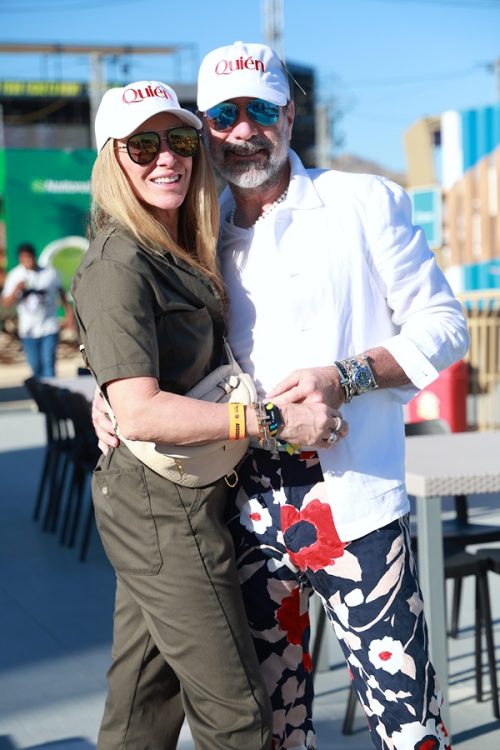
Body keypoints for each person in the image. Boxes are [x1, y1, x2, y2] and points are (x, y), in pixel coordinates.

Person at [93, 44, 469, 750]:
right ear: (207, 128)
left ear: (290, 116)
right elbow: (157, 344)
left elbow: (446, 327)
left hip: (354, 503)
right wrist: (107, 393)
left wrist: (344, 377)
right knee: (275, 729)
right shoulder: (199, 232)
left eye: (261, 110)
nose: (243, 131)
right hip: (241, 508)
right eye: (224, 115)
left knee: (409, 723)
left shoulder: (362, 201)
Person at [72, 78, 344, 750]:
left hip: (182, 498)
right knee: (237, 717)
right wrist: (268, 421)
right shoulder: (120, 260)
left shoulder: (182, 241)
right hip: (163, 508)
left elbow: (141, 377)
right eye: (143, 146)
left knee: (143, 704)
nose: (167, 158)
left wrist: (108, 388)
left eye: (180, 140)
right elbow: (140, 412)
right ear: (112, 160)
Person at [1, 242, 74, 376]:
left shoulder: (50, 273)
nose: (27, 261)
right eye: (24, 258)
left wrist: (69, 316)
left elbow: (62, 294)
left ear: (34, 257)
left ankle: (50, 388)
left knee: (48, 363)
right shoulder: (15, 275)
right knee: (35, 366)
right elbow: (6, 303)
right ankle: (40, 388)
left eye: (29, 257)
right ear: (20, 259)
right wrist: (17, 289)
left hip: (49, 326)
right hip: (28, 329)